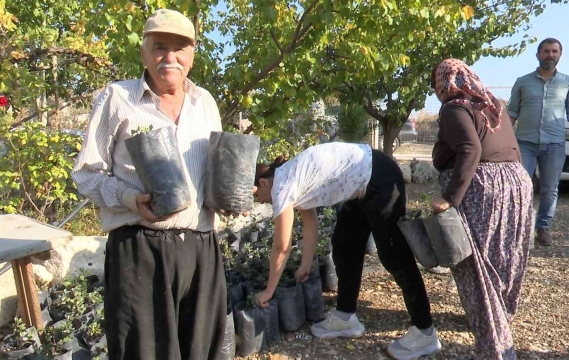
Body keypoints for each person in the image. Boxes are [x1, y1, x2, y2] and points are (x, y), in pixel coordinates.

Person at [72, 9, 228, 360]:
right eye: (159, 47)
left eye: (179, 49)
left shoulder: (204, 102)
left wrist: (227, 193)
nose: (169, 58)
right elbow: (85, 173)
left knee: (200, 350)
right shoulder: (117, 99)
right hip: (140, 249)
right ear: (143, 51)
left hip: (201, 247)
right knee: (143, 352)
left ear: (191, 56)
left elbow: (217, 168)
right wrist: (128, 198)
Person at [253, 142, 442, 360]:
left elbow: (281, 246)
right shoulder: (291, 177)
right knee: (345, 243)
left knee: (394, 255)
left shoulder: (282, 186)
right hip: (364, 182)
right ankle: (345, 317)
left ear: (263, 182)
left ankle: (425, 331)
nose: (260, 201)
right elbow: (310, 223)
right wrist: (305, 265)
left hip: (380, 178)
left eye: (257, 195)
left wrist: (268, 291)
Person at [430, 58, 534, 359]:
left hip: (484, 186)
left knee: (476, 266)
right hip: (516, 182)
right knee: (504, 257)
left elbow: (470, 149)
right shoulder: (491, 103)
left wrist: (450, 197)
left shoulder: (454, 107)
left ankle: (495, 347)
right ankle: (501, 314)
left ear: (444, 82)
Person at [507, 38, 569, 246]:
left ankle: (543, 228)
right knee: (521, 187)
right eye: (546, 51)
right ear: (538, 55)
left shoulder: (567, 82)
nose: (550, 55)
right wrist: (506, 141)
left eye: (554, 51)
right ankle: (522, 227)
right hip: (524, 144)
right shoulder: (522, 82)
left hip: (554, 144)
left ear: (560, 55)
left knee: (550, 188)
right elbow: (511, 113)